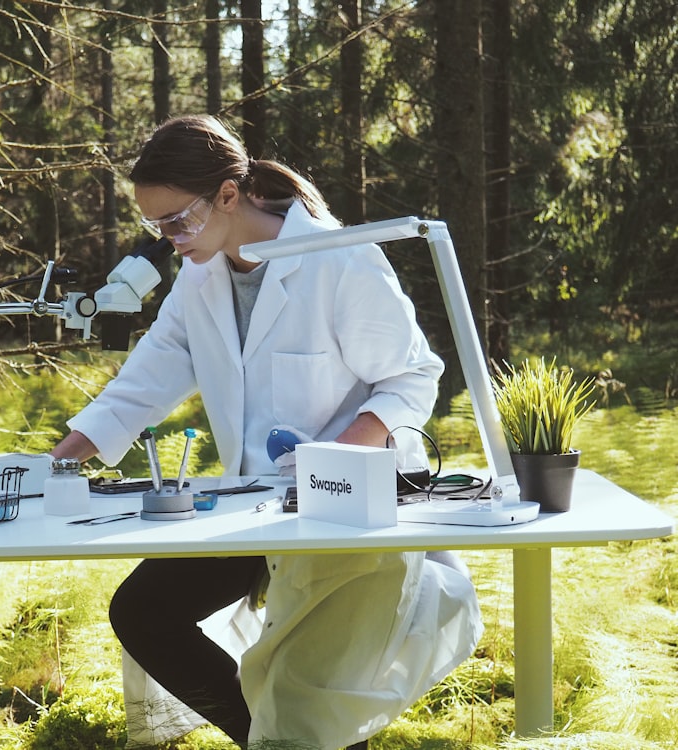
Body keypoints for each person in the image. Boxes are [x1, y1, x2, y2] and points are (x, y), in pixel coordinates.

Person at [51, 114, 482, 750]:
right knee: (144, 612)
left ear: (229, 194)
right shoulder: (199, 277)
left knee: (316, 681)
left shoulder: (339, 260)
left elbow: (413, 379)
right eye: (156, 225)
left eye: (178, 220)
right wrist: (53, 464)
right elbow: (140, 386)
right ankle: (269, 741)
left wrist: (333, 458)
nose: (170, 240)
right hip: (259, 504)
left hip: (349, 509)